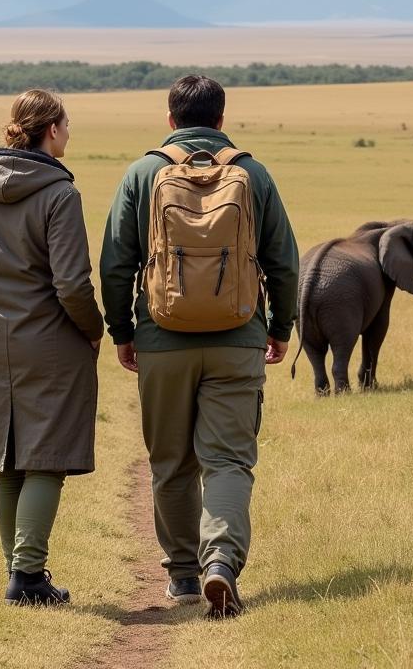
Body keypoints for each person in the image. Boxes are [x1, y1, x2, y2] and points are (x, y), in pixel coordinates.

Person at [100, 74, 298, 616]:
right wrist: (280, 328)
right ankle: (222, 564)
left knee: (170, 463)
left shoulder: (143, 172)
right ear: (220, 118)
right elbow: (283, 261)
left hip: (162, 340)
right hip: (239, 340)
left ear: (170, 120)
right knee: (229, 462)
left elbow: (116, 264)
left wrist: (122, 332)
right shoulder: (251, 172)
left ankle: (185, 577)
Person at [0, 88, 104, 606]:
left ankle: (21, 575)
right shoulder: (60, 194)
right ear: (50, 129)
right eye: (67, 124)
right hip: (52, 345)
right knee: (47, 460)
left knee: (8, 460)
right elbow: (73, 285)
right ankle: (28, 576)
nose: (70, 132)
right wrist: (93, 329)